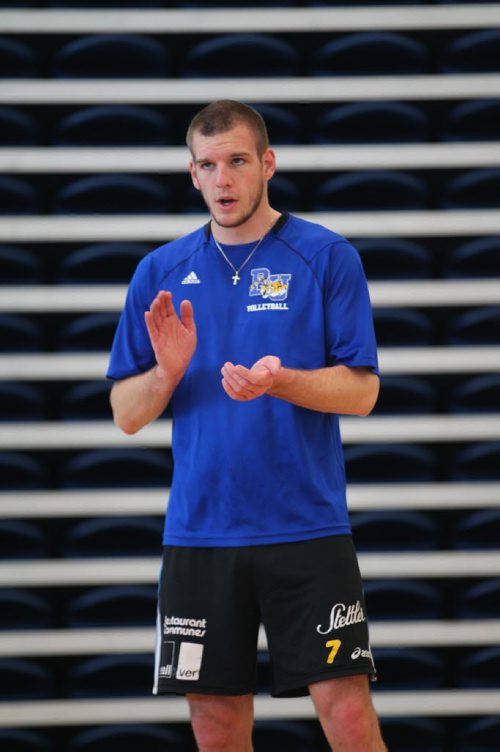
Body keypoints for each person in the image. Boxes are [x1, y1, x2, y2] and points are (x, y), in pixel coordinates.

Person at [108, 99, 387, 752]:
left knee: (347, 713)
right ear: (193, 174)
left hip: (307, 528)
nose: (224, 179)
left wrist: (281, 380)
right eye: (209, 165)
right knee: (216, 725)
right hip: (201, 533)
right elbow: (126, 414)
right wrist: (168, 373)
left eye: (237, 161)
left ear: (267, 164)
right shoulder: (160, 273)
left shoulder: (325, 256)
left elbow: (364, 392)